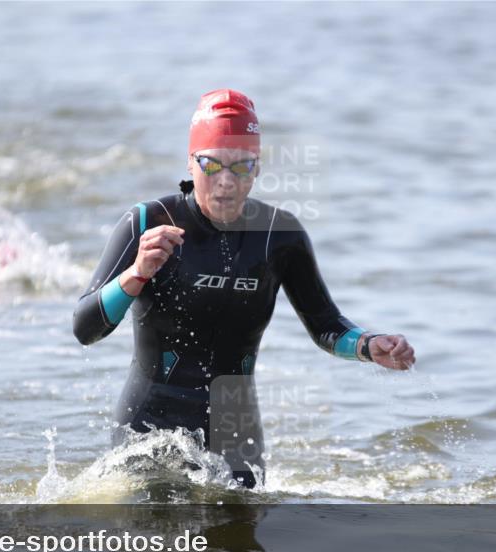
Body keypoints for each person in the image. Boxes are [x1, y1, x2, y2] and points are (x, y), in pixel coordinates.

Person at [73, 89, 415, 489]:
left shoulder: (279, 235)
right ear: (190, 162)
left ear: (257, 169)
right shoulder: (147, 222)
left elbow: (327, 325)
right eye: (211, 164)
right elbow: (85, 329)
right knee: (151, 544)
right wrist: (136, 274)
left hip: (236, 430)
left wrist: (368, 346)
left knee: (239, 550)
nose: (225, 182)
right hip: (149, 426)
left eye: (241, 167)